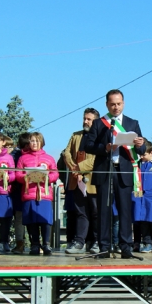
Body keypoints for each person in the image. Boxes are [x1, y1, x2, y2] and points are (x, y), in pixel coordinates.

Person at [84, 89, 146, 259]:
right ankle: (104, 247)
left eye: (119, 104)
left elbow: (141, 150)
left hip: (124, 171)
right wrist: (105, 148)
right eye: (112, 104)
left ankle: (126, 247)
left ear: (123, 103)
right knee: (103, 210)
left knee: (125, 210)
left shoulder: (132, 123)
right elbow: (88, 145)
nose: (116, 107)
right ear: (107, 105)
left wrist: (141, 144)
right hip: (105, 170)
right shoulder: (99, 124)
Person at [64, 108, 100, 255]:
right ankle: (79, 241)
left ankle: (97, 241)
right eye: (84, 118)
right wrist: (74, 169)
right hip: (76, 180)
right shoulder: (75, 135)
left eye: (89, 119)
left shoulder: (100, 137)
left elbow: (97, 159)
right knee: (81, 213)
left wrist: (80, 168)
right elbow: (66, 153)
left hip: (93, 181)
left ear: (95, 121)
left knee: (96, 212)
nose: (85, 121)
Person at [16, 132, 59, 256]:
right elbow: (18, 174)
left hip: (44, 194)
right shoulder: (22, 158)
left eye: (37, 141)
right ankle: (34, 244)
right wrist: (27, 177)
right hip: (29, 193)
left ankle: (46, 244)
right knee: (31, 221)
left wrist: (45, 177)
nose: (34, 143)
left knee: (45, 220)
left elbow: (55, 173)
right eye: (32, 141)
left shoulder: (49, 158)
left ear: (42, 142)